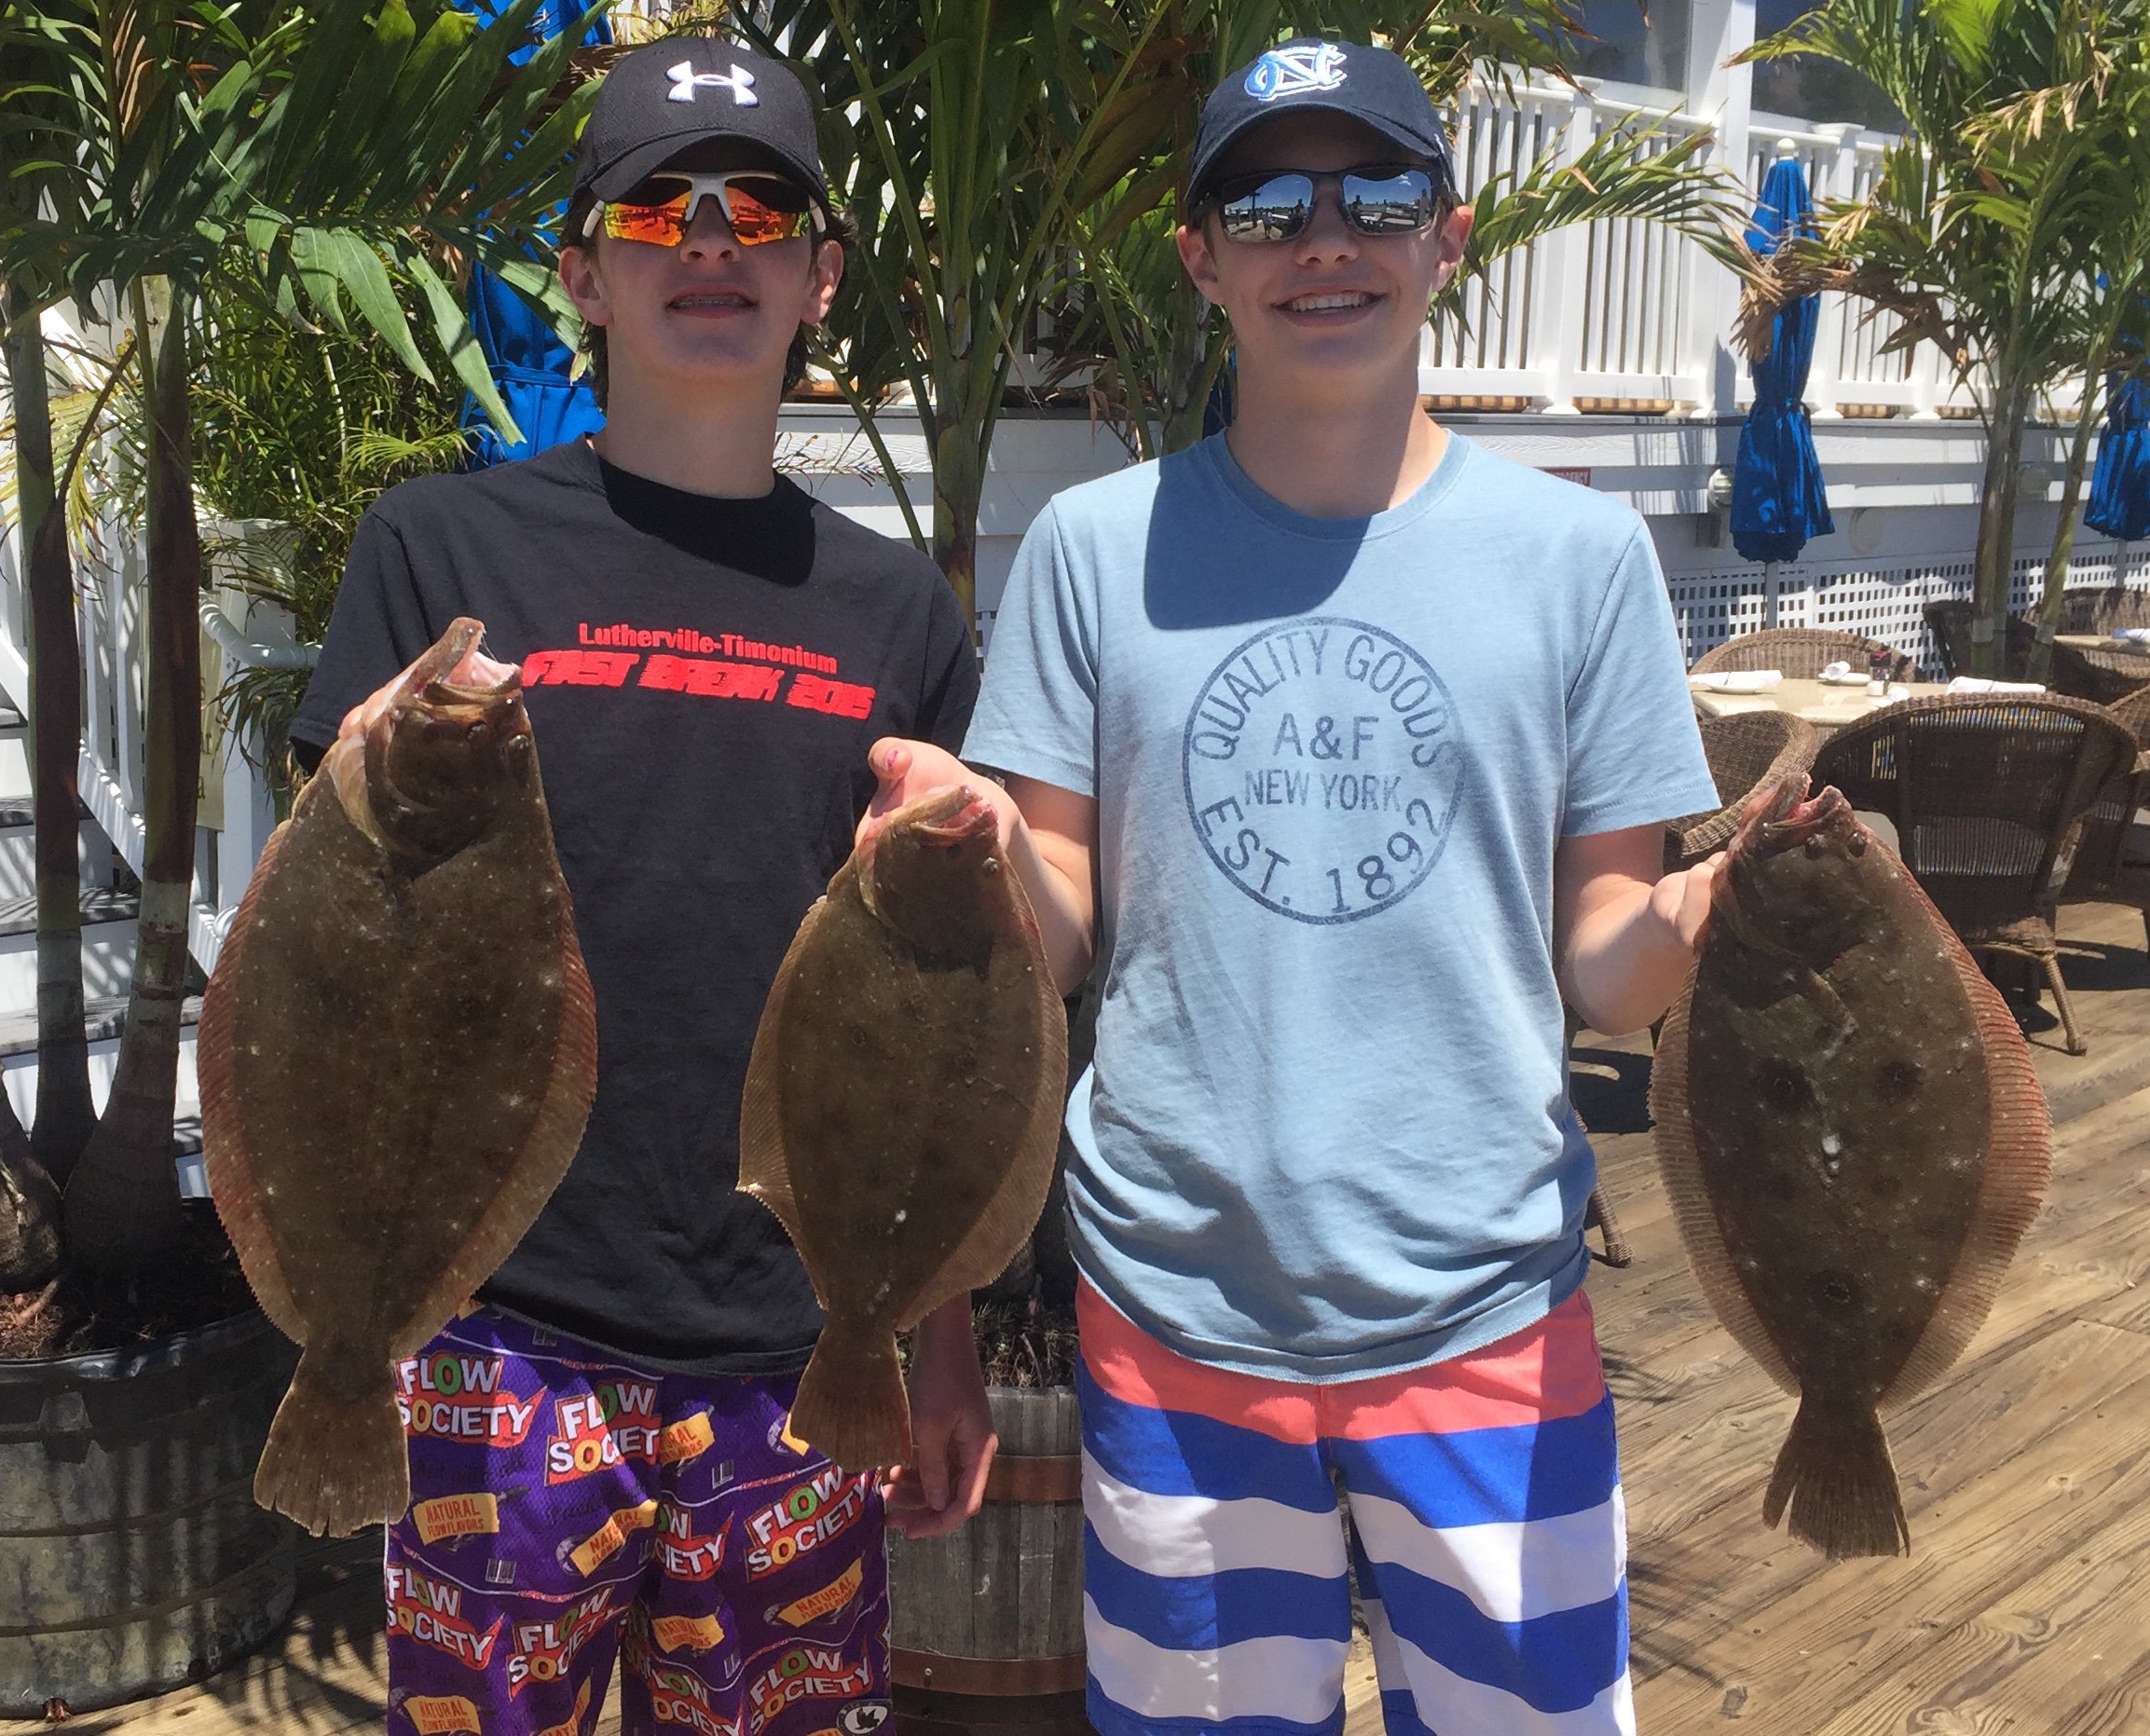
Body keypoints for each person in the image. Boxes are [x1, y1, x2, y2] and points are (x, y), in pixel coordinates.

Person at [861, 38, 1720, 1736]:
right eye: (1265, 202)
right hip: (1178, 1305)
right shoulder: (1095, 548)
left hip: (1484, 1300)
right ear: (1201, 257)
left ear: (1447, 236)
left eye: (1373, 195)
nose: (1321, 240)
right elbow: (1056, 927)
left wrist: (1732, 903)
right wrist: (961, 848)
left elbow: (1610, 969)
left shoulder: (1586, 558)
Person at [288, 37, 991, 1736]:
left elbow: (941, 1044)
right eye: (655, 207)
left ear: (821, 276)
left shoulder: (902, 614)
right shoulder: (437, 551)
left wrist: (939, 1337)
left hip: (797, 1346)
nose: (709, 242)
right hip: (492, 1326)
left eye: (757, 206)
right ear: (582, 272)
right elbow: (324, 969)